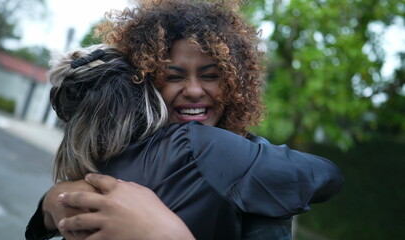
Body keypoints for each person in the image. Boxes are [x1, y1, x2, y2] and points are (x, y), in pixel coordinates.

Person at [25, 1, 344, 239]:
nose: (193, 90)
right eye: (174, 76)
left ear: (234, 84)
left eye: (210, 75)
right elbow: (328, 177)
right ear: (146, 79)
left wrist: (52, 201)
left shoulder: (110, 151)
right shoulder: (185, 148)